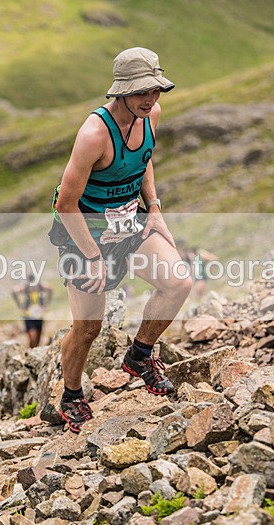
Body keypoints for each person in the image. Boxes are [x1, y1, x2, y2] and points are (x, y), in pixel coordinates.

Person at [50, 47, 192, 433]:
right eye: (142, 91)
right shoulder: (94, 134)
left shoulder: (152, 116)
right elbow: (66, 203)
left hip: (131, 221)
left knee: (178, 282)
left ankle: (140, 355)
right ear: (121, 91)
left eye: (156, 90)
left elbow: (144, 159)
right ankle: (72, 395)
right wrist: (93, 256)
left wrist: (155, 208)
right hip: (85, 231)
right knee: (88, 328)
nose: (151, 99)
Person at [12, 274, 53, 348]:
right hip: (29, 316)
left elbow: (50, 289)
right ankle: (31, 352)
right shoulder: (25, 288)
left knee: (37, 340)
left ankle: (34, 353)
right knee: (33, 338)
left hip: (39, 316)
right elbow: (14, 291)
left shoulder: (41, 286)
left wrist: (47, 304)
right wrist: (20, 305)